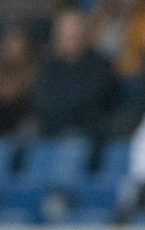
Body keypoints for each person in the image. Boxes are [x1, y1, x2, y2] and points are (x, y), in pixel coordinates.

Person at [32, 9, 119, 141]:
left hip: (89, 133)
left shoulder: (101, 66)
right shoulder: (48, 69)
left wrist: (64, 108)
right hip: (52, 131)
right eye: (66, 33)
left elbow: (93, 102)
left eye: (75, 32)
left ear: (85, 33)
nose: (72, 36)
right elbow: (42, 102)